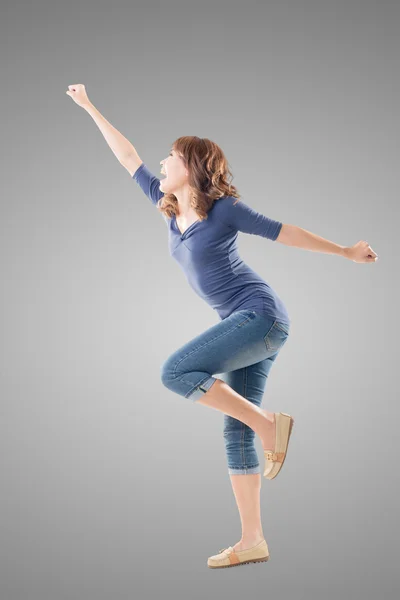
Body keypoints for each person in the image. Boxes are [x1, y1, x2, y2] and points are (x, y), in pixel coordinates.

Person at [66, 83, 379, 568]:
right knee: (235, 429)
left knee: (176, 372)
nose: (162, 163)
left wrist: (344, 251)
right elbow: (126, 155)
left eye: (171, 157)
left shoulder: (225, 210)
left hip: (261, 318)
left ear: (192, 165)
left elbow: (284, 232)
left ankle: (272, 425)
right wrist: (89, 106)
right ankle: (253, 539)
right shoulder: (168, 207)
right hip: (247, 324)